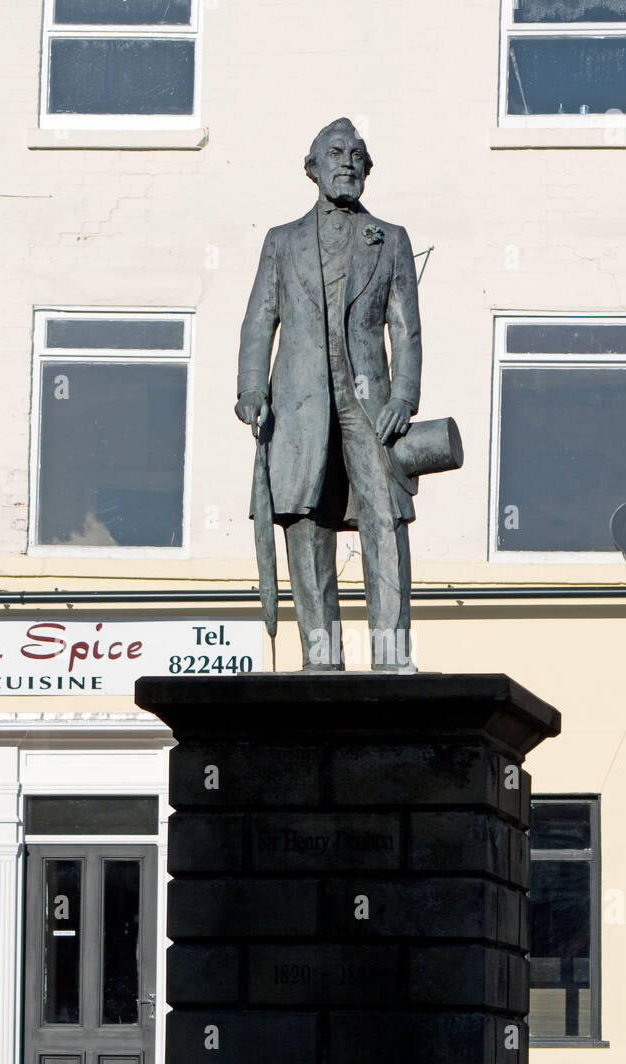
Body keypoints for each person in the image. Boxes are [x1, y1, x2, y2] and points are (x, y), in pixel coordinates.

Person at [235, 117, 422, 671]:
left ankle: (391, 657)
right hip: (299, 402)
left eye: (357, 155)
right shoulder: (281, 241)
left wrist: (404, 397)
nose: (347, 161)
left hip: (369, 404)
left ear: (367, 169)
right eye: (335, 152)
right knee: (307, 521)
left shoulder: (391, 239)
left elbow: (405, 328)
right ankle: (322, 657)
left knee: (383, 518)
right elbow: (258, 322)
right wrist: (251, 389)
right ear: (311, 168)